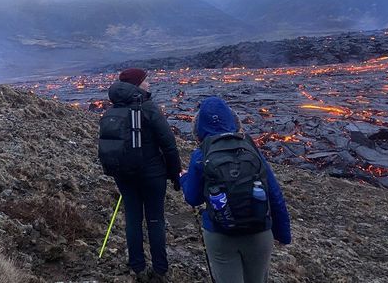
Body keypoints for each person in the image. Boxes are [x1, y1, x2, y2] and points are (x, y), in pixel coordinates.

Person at [180, 97, 291, 283]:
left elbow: (193, 198)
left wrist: (183, 178)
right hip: (259, 232)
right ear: (234, 121)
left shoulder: (201, 155)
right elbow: (274, 194)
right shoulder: (251, 150)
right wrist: (283, 235)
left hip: (220, 234)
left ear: (198, 127)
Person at [98, 68, 181, 282]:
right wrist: (175, 175)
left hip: (124, 174)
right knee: (155, 220)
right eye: (146, 81)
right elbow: (169, 145)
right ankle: (160, 271)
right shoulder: (149, 108)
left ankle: (138, 268)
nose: (149, 84)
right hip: (152, 175)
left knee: (133, 219)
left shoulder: (113, 109)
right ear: (137, 84)